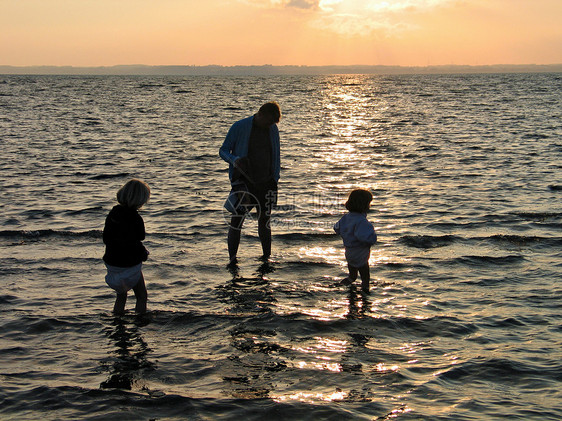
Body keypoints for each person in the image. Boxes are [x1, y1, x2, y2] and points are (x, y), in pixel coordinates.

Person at [219, 102, 281, 265]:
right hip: (243, 183)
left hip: (267, 183)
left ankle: (266, 258)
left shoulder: (273, 129)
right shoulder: (240, 126)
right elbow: (223, 151)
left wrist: (275, 179)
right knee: (236, 221)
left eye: (272, 123)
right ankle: (232, 260)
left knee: (265, 221)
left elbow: (276, 154)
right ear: (260, 114)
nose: (269, 126)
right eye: (268, 122)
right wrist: (235, 160)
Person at [103, 179, 150, 314]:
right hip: (129, 264)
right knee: (141, 295)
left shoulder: (113, 214)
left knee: (121, 295)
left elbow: (107, 237)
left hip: (112, 262)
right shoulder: (135, 218)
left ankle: (118, 321)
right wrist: (144, 254)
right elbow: (138, 239)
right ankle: (140, 320)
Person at [334, 189, 378, 293]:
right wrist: (372, 239)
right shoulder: (362, 221)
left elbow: (336, 228)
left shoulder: (346, 217)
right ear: (364, 205)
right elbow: (363, 237)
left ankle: (340, 286)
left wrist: (346, 234)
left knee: (352, 276)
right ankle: (365, 293)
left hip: (349, 252)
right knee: (365, 276)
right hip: (360, 253)